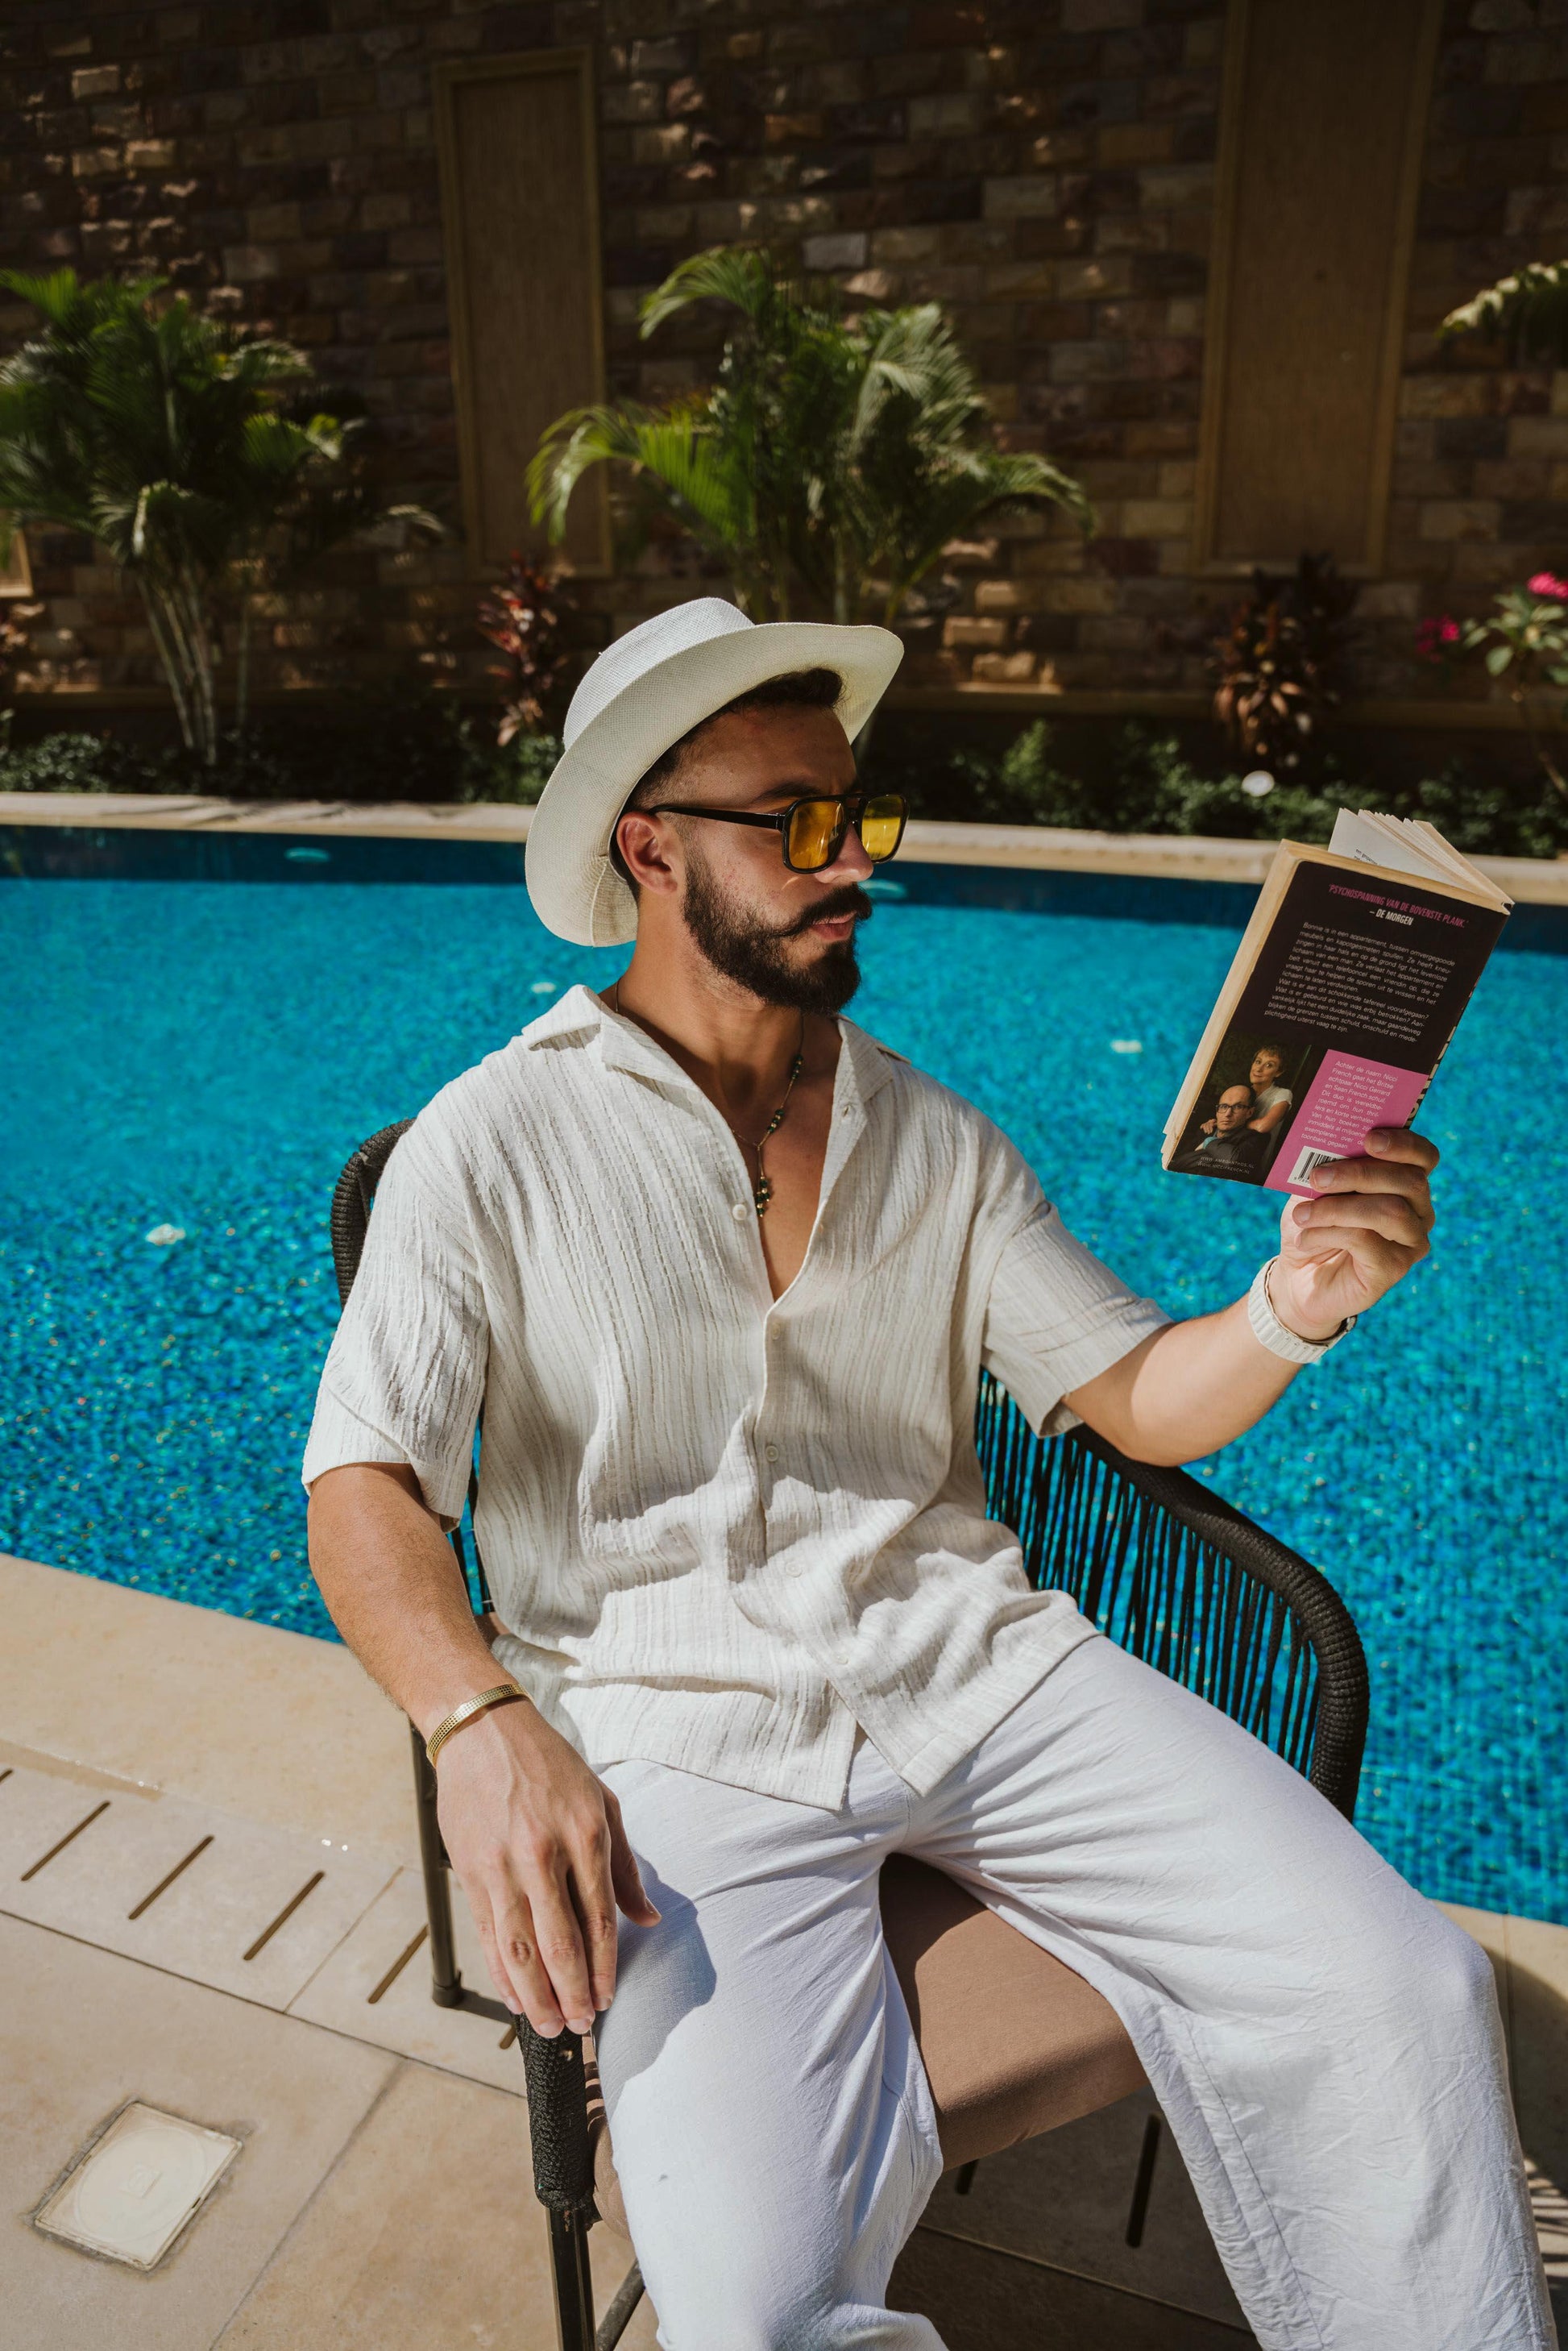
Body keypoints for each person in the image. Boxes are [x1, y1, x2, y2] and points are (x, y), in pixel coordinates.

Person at [304, 599, 1549, 2351]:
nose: (853, 862)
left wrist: (1297, 1302)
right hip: (677, 1738)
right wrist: (478, 1724)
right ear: (651, 848)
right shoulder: (487, 1145)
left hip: (984, 1671)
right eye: (797, 822)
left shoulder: (934, 1136)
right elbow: (362, 1482)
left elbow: (1130, 1394)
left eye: (858, 813)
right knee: (755, 2313)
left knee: (1402, 1985)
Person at [1179, 1082, 1269, 1178]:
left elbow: (1234, 1165)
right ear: (1217, 1112)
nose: (1228, 1114)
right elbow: (1176, 1161)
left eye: (1238, 1107)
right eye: (1223, 1106)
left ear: (1249, 1113)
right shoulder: (1205, 1130)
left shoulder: (1257, 1139)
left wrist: (1209, 1142)